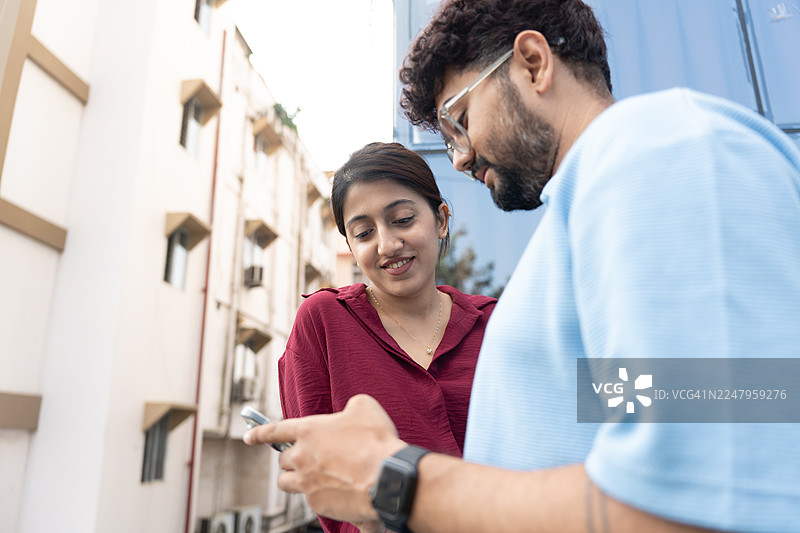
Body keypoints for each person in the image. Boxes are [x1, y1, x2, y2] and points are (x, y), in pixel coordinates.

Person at [245, 1, 800, 532]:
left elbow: (707, 501)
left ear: (533, 63)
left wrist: (395, 480)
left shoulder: (663, 151)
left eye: (459, 119)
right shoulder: (587, 220)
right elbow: (693, 400)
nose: (459, 157)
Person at [278, 141, 496, 533]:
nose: (387, 245)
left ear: (441, 220)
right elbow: (328, 488)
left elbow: (615, 409)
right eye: (363, 233)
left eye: (403, 219)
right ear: (349, 245)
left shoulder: (496, 323)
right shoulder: (323, 323)